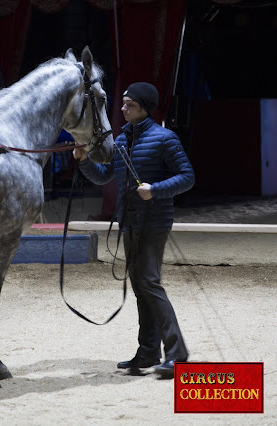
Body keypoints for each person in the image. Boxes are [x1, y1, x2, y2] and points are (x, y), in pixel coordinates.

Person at [73, 82, 195, 379]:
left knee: (150, 283)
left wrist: (155, 190)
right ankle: (148, 351)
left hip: (154, 221)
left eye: (130, 105)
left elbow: (187, 177)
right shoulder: (123, 140)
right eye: (124, 104)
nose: (123, 109)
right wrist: (84, 161)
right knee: (141, 287)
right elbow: (105, 177)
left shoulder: (165, 139)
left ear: (145, 108)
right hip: (129, 220)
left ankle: (177, 354)